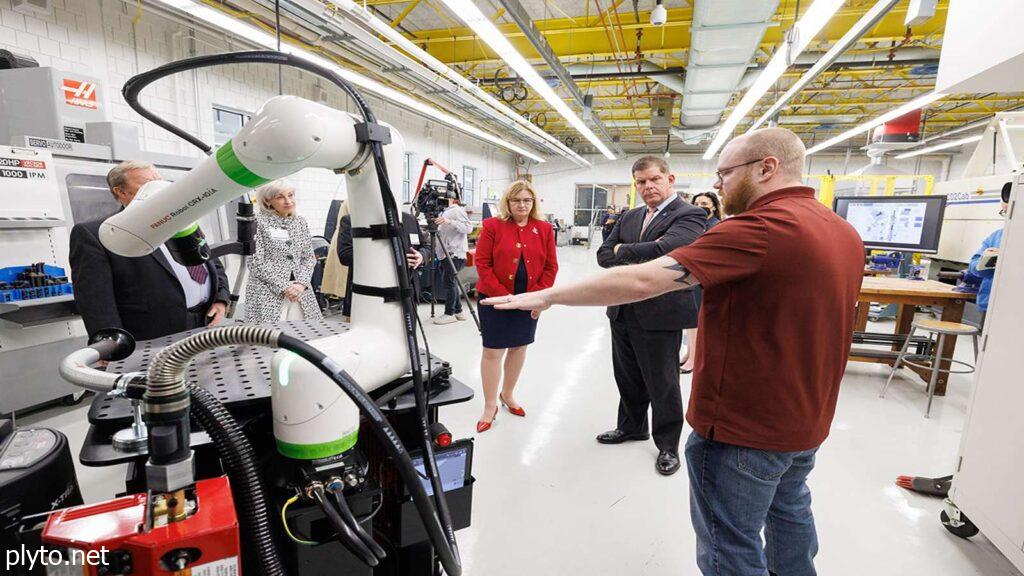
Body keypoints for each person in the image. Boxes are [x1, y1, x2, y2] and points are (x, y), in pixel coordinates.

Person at [486, 127, 864, 576]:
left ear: (766, 168)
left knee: (732, 547)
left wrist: (549, 296)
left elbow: (645, 278)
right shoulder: (841, 230)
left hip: (745, 426)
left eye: (725, 172)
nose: (719, 184)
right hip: (806, 418)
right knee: (789, 516)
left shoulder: (761, 228)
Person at [595, 155, 707, 476]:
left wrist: (623, 251)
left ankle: (668, 445)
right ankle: (632, 426)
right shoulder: (630, 216)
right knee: (627, 376)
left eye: (654, 179)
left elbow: (672, 248)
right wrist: (626, 250)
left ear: (669, 179)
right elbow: (604, 256)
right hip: (622, 308)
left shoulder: (689, 214)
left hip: (661, 312)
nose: (648, 186)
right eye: (641, 182)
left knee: (663, 382)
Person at [69, 161, 230, 341]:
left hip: (204, 323)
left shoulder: (181, 219)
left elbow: (210, 262)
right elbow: (94, 299)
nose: (159, 190)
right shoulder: (99, 233)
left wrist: (220, 299)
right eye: (148, 185)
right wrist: (111, 341)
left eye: (160, 182)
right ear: (120, 192)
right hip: (151, 333)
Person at [474, 180, 558, 433]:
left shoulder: (543, 228)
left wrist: (536, 297)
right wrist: (505, 298)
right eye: (516, 200)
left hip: (529, 301)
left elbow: (550, 267)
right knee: (493, 351)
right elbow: (482, 263)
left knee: (519, 347)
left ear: (533, 203)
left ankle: (507, 394)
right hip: (494, 299)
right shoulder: (492, 225)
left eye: (527, 200)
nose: (522, 205)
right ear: (508, 202)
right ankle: (490, 405)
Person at [244, 180, 323, 323]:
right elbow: (255, 262)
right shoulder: (257, 221)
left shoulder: (300, 222)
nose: (288, 201)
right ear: (268, 201)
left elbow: (309, 258)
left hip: (299, 292)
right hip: (267, 291)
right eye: (280, 197)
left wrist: (301, 284)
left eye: (291, 195)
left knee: (306, 334)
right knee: (268, 339)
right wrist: (285, 287)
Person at [336, 208, 424, 318]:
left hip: (407, 296)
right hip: (368, 297)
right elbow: (345, 255)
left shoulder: (409, 219)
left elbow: (425, 245)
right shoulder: (352, 220)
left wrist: (421, 256)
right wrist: (394, 260)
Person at [680, 191, 723, 373]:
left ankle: (694, 360)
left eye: (704, 203)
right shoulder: (698, 223)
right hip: (692, 275)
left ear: (713, 205)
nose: (700, 206)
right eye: (696, 203)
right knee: (691, 319)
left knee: (696, 320)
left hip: (703, 277)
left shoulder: (715, 225)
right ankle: (689, 353)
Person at [967, 181, 1009, 327]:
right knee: (988, 348)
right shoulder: (996, 237)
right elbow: (973, 265)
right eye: (1005, 212)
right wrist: (984, 263)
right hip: (990, 304)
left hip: (1013, 306)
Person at [433, 198, 474, 325]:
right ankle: (458, 311)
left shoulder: (456, 211)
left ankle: (449, 313)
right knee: (451, 283)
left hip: (455, 254)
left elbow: (469, 228)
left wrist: (449, 221)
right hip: (445, 254)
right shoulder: (442, 212)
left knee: (449, 283)